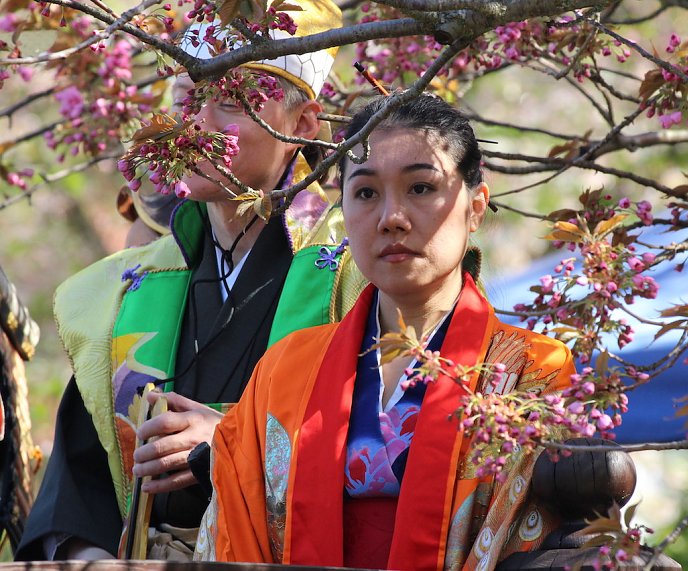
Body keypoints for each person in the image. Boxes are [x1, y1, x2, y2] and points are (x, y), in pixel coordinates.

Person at [16, 0, 365, 560]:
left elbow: (375, 450)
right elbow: (79, 485)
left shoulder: (353, 276)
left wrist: (224, 444)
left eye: (230, 103)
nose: (198, 127)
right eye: (189, 101)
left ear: (302, 124)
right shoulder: (122, 288)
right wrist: (86, 557)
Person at [194, 94, 577, 570]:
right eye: (366, 193)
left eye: (420, 188)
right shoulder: (284, 369)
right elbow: (238, 523)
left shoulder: (536, 373)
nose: (391, 217)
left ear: (476, 206)